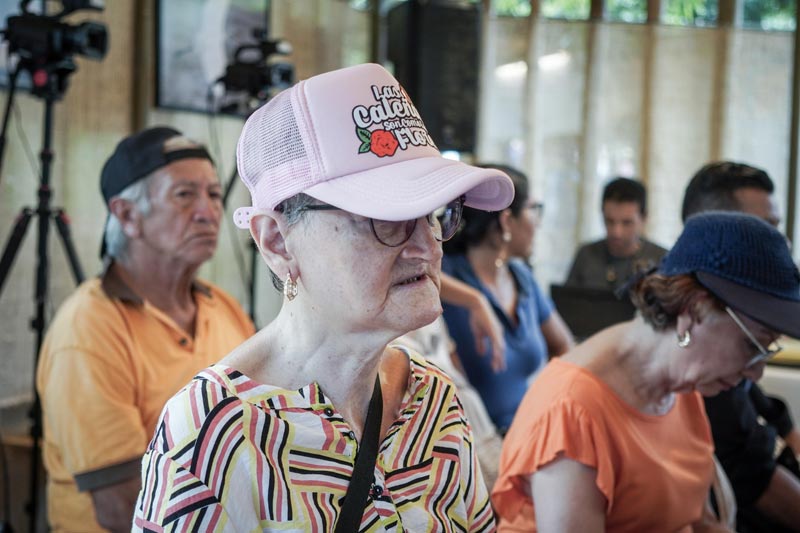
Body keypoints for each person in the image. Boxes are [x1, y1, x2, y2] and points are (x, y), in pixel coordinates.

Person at [132, 63, 512, 531]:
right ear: (276, 241)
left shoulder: (432, 401)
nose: (428, 245)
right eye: (386, 219)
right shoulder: (213, 436)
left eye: (436, 213)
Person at [492, 211, 800, 532]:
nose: (757, 372)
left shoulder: (682, 388)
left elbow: (701, 522)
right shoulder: (571, 411)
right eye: (754, 346)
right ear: (694, 310)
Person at [36, 127, 256, 532]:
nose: (208, 212)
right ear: (127, 215)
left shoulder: (221, 306)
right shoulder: (89, 329)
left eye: (213, 194)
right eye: (184, 195)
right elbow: (123, 508)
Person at [682, 160, 800, 532]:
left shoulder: (739, 317)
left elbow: (756, 397)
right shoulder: (704, 346)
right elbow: (753, 476)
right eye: (766, 231)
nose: (781, 247)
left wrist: (788, 431)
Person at [441, 164, 573, 433]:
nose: (537, 222)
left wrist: (542, 404)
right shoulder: (447, 271)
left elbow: (564, 348)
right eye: (533, 210)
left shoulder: (521, 277)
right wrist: (475, 299)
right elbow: (415, 272)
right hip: (474, 443)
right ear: (506, 220)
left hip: (528, 433)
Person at [565, 177, 667, 290]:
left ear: (644, 218)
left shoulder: (662, 260)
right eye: (609, 221)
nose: (616, 232)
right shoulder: (586, 255)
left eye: (627, 223)